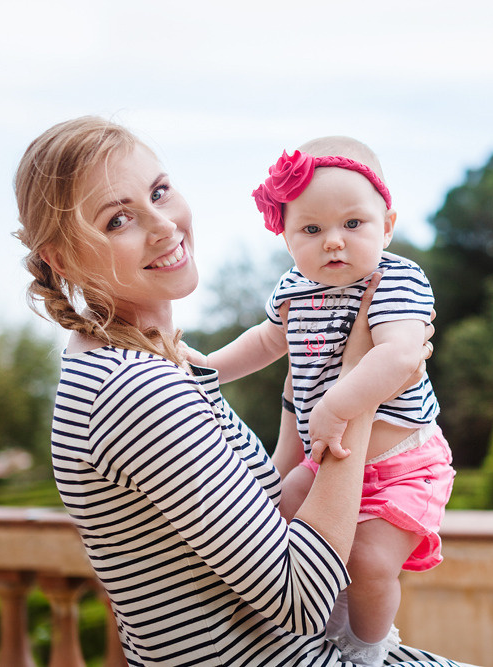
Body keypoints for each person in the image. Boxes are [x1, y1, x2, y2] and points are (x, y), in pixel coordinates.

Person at [13, 116, 470, 667]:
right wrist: (358, 389)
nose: (164, 225)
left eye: (159, 192)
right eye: (118, 220)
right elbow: (302, 600)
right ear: (64, 259)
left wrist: (306, 386)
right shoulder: (134, 391)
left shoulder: (148, 366)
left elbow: (260, 506)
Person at [189, 137, 455, 666]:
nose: (333, 242)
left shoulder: (395, 281)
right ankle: (306, 625)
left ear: (388, 224)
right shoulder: (293, 290)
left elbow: (402, 356)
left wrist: (336, 405)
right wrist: (209, 368)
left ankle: (368, 648)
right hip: (326, 459)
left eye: (353, 224)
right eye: (311, 230)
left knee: (372, 561)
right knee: (275, 522)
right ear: (287, 240)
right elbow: (266, 342)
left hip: (401, 464)